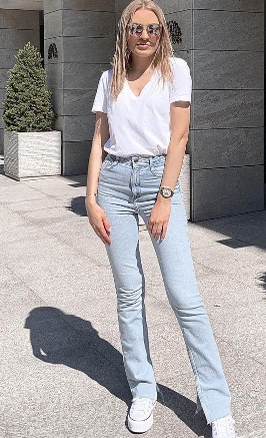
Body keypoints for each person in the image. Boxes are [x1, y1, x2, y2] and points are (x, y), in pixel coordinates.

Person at [85, 1, 237, 437]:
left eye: (153, 28)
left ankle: (216, 404)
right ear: (125, 32)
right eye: (137, 27)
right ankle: (143, 391)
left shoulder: (177, 71)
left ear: (162, 32)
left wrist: (166, 197)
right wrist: (91, 199)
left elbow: (179, 137)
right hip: (113, 184)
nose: (146, 34)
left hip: (157, 179)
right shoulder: (108, 79)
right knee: (129, 293)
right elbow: (99, 140)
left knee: (184, 296)